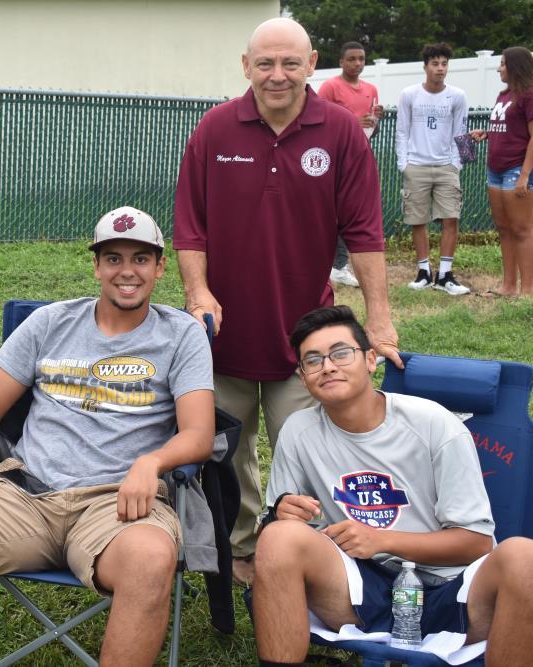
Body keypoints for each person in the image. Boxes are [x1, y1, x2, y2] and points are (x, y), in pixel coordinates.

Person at [0, 206, 217, 666]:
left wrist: (150, 464)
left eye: (141, 259)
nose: (127, 271)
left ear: (161, 267)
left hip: (117, 503)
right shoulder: (50, 322)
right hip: (24, 495)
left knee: (149, 559)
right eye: (113, 258)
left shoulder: (181, 335)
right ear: (96, 266)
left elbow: (199, 434)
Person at [173, 17, 400, 585]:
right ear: (245, 65)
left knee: (314, 447)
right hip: (222, 335)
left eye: (290, 63)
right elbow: (190, 228)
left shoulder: (342, 132)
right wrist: (198, 292)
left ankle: (315, 556)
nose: (277, 75)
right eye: (266, 63)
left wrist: (380, 322)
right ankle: (243, 554)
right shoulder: (214, 129)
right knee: (230, 450)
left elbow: (366, 234)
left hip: (307, 337)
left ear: (312, 62)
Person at [252, 305, 533, 666]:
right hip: (359, 589)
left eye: (341, 353)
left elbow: (477, 542)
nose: (328, 366)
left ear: (370, 359)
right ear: (303, 376)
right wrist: (280, 514)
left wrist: (380, 540)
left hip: (452, 590)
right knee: (279, 537)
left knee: (524, 558)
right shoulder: (298, 431)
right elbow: (274, 536)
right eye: (313, 360)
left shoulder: (435, 424)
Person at [395, 43, 471, 295]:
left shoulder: (458, 96)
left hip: (446, 167)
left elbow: (460, 131)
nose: (440, 69)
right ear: (425, 66)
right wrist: (403, 164)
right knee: (418, 219)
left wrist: (456, 164)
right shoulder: (409, 94)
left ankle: (445, 276)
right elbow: (402, 131)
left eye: (444, 64)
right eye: (435, 64)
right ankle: (424, 272)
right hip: (415, 166)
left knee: (451, 218)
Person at [318, 40, 386, 289]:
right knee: (327, 213)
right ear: (341, 62)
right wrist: (352, 125)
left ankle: (339, 266)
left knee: (353, 212)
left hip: (361, 158)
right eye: (352, 59)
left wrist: (375, 121)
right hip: (333, 159)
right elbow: (319, 122)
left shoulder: (371, 89)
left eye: (361, 59)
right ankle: (324, 265)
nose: (358, 63)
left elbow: (371, 131)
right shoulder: (330, 87)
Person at [470, 46, 533, 297]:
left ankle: (528, 291)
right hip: (495, 170)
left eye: (503, 64)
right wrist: (487, 134)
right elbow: (509, 127)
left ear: (516, 66)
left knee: (522, 230)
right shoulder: (504, 95)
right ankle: (508, 287)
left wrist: (525, 175)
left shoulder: (529, 95)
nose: (499, 68)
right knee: (504, 229)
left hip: (517, 170)